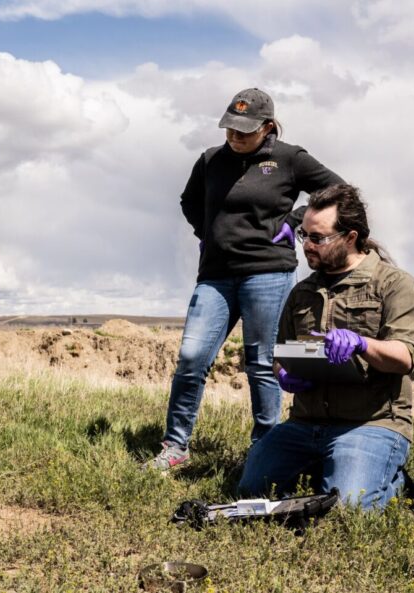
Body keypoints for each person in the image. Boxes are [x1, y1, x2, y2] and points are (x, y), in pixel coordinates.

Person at [146, 88, 345, 471]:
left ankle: (263, 449)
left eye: (245, 131)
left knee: (261, 362)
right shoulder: (210, 160)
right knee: (191, 358)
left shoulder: (289, 158)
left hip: (268, 271)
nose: (235, 137)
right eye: (230, 129)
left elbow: (337, 190)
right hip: (216, 275)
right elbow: (189, 202)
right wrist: (209, 232)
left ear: (267, 126)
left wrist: (294, 221)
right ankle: (175, 447)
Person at [238, 184, 414, 509]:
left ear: (350, 238)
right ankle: (325, 469)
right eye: (304, 235)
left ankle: (394, 482)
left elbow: (406, 357)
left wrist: (361, 344)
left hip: (370, 423)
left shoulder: (394, 284)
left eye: (318, 238)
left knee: (346, 507)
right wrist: (285, 375)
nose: (307, 246)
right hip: (305, 422)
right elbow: (282, 354)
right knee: (251, 490)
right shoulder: (302, 292)